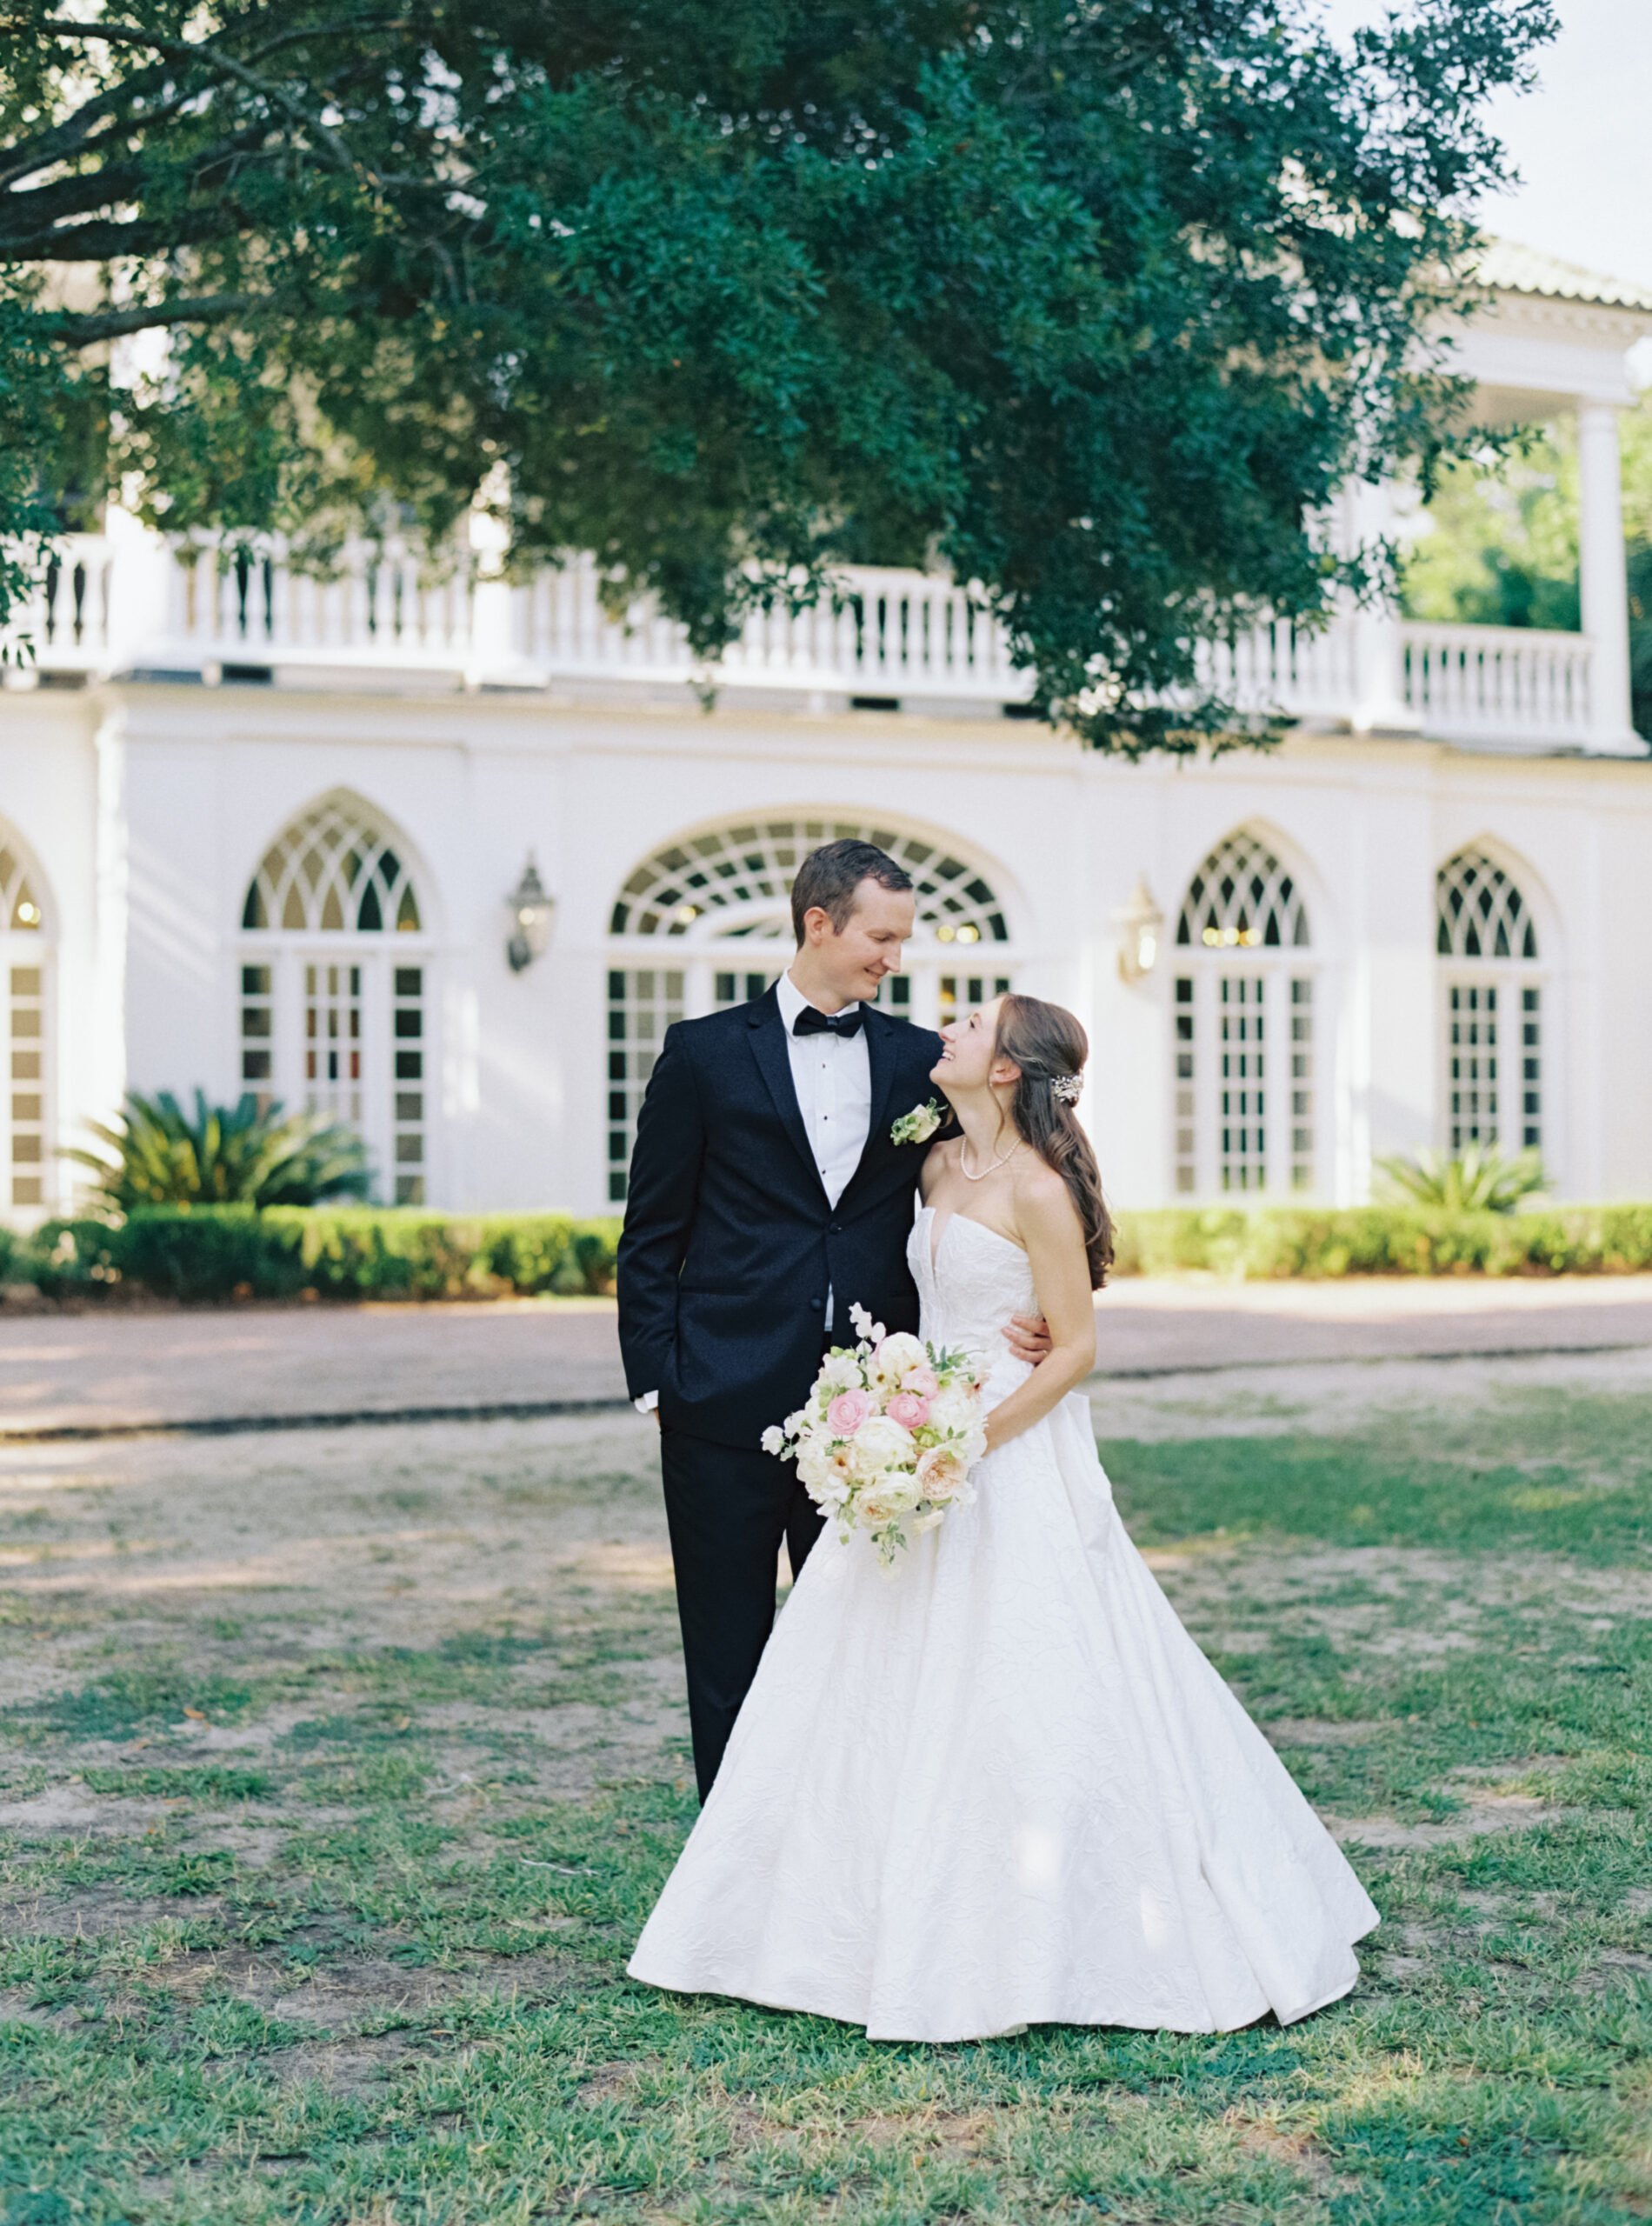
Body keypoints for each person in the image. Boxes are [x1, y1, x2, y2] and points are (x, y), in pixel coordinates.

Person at [627, 993, 1379, 2043]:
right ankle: (823, 1906)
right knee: (864, 1676)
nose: (946, 1027)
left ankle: (1044, 1913)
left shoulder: (1036, 1189)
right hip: (916, 1435)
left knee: (1029, 1670)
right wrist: (898, 1420)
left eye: (973, 1024)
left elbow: (1074, 1347)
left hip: (1001, 1449)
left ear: (1008, 1071)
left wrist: (967, 1439)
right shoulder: (932, 1163)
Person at [616, 840, 1049, 1803]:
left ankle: (843, 1841)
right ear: (820, 923)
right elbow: (651, 1231)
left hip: (873, 1419)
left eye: (900, 938)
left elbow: (1022, 1165)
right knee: (725, 1646)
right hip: (717, 1399)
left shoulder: (914, 1060)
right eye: (881, 936)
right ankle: (729, 1868)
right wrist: (657, 1379)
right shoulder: (701, 1054)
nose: (894, 958)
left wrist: (1047, 1304)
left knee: (863, 1646)